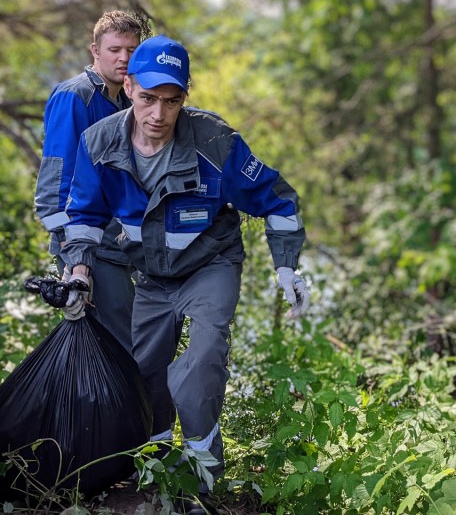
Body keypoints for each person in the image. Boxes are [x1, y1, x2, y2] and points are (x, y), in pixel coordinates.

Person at [59, 35, 311, 513]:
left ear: (185, 97)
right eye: (149, 98)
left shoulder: (216, 142)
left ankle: (202, 480)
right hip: (151, 278)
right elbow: (84, 218)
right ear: (129, 86)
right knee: (146, 374)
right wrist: (77, 274)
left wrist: (287, 267)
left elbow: (278, 200)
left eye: (172, 102)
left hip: (210, 265)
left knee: (197, 368)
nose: (158, 114)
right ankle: (156, 470)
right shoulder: (100, 144)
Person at [34, 10, 144, 354]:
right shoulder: (74, 97)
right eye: (114, 49)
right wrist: (73, 262)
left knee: (122, 347)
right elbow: (53, 189)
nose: (124, 58)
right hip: (89, 250)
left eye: (131, 50)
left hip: (121, 245)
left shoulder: (129, 101)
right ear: (94, 50)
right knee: (118, 349)